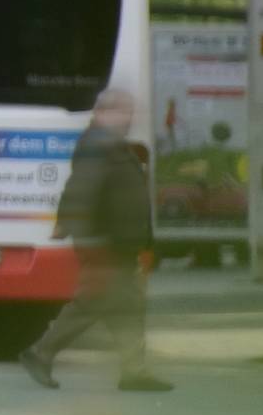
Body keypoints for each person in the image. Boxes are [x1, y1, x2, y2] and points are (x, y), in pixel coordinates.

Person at [24, 90, 175, 392]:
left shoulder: (112, 145)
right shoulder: (98, 144)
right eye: (123, 111)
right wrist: (80, 232)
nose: (129, 118)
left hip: (117, 243)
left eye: (130, 111)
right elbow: (81, 190)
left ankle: (134, 370)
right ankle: (41, 353)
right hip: (104, 243)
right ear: (102, 112)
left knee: (127, 305)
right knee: (94, 303)